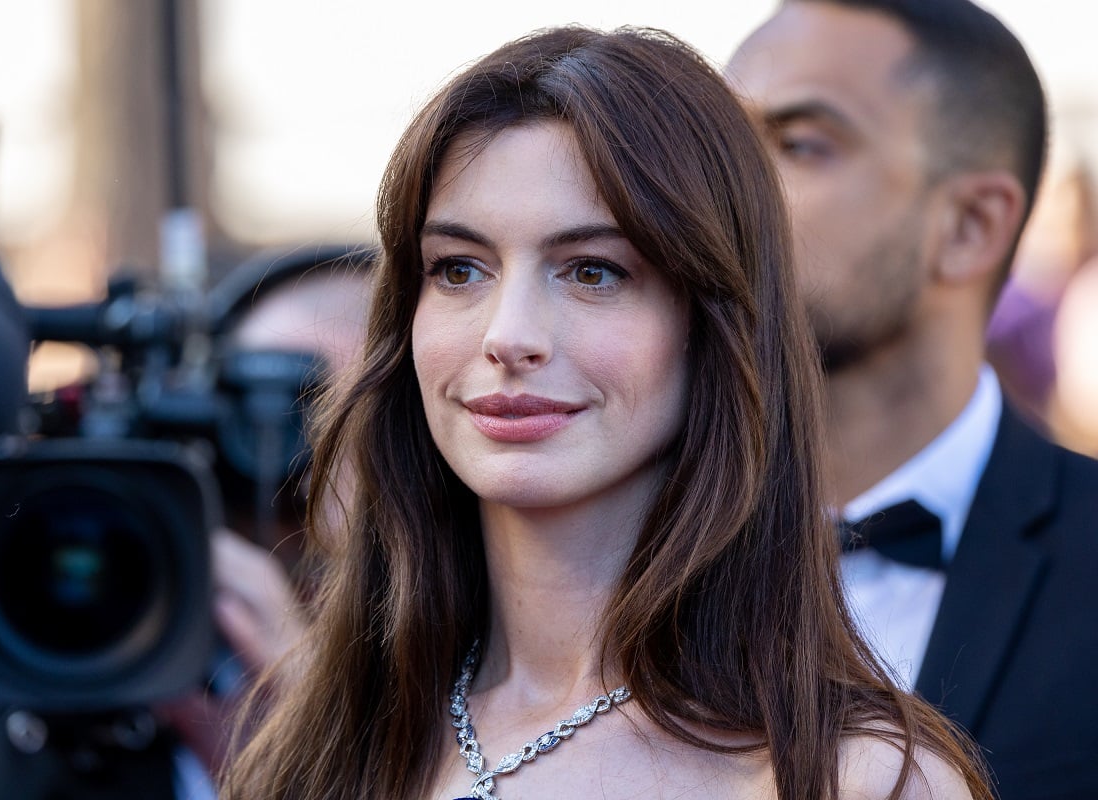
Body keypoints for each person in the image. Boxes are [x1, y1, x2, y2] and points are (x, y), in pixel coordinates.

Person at [220, 25, 991, 800]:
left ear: (714, 323)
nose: (508, 336)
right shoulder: (318, 748)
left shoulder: (857, 779)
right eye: (459, 269)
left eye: (592, 271)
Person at [726, 1, 1098, 796]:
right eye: (719, 143)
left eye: (798, 144)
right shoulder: (608, 553)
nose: (727, 189)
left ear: (969, 224)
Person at [0, 245, 373, 800]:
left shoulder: (468, 714)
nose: (332, 473)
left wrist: (322, 754)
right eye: (288, 415)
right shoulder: (8, 662)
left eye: (374, 419)